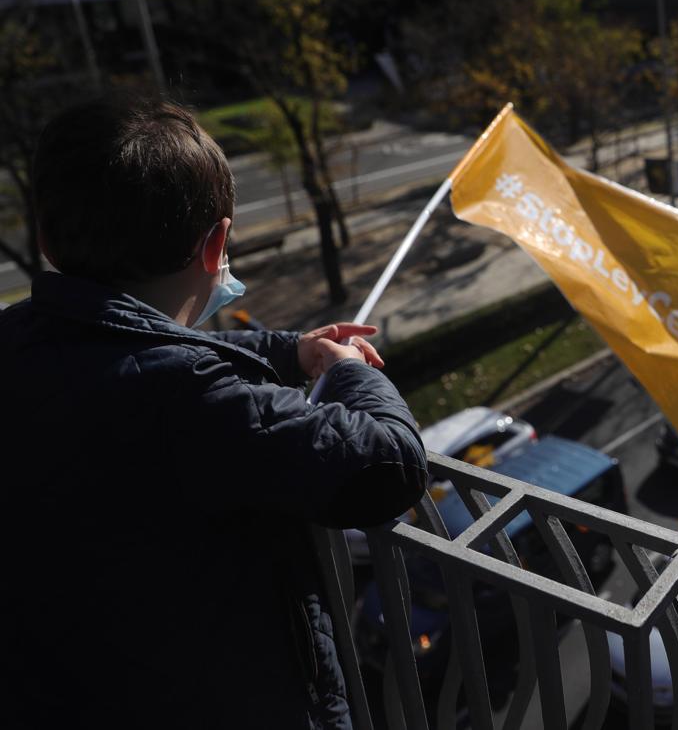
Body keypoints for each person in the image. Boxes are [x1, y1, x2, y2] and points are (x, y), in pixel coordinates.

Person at [0, 96, 428, 729]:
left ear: (44, 238)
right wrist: (345, 371)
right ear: (217, 244)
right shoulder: (191, 402)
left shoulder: (20, 339)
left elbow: (132, 348)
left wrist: (293, 350)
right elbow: (389, 464)